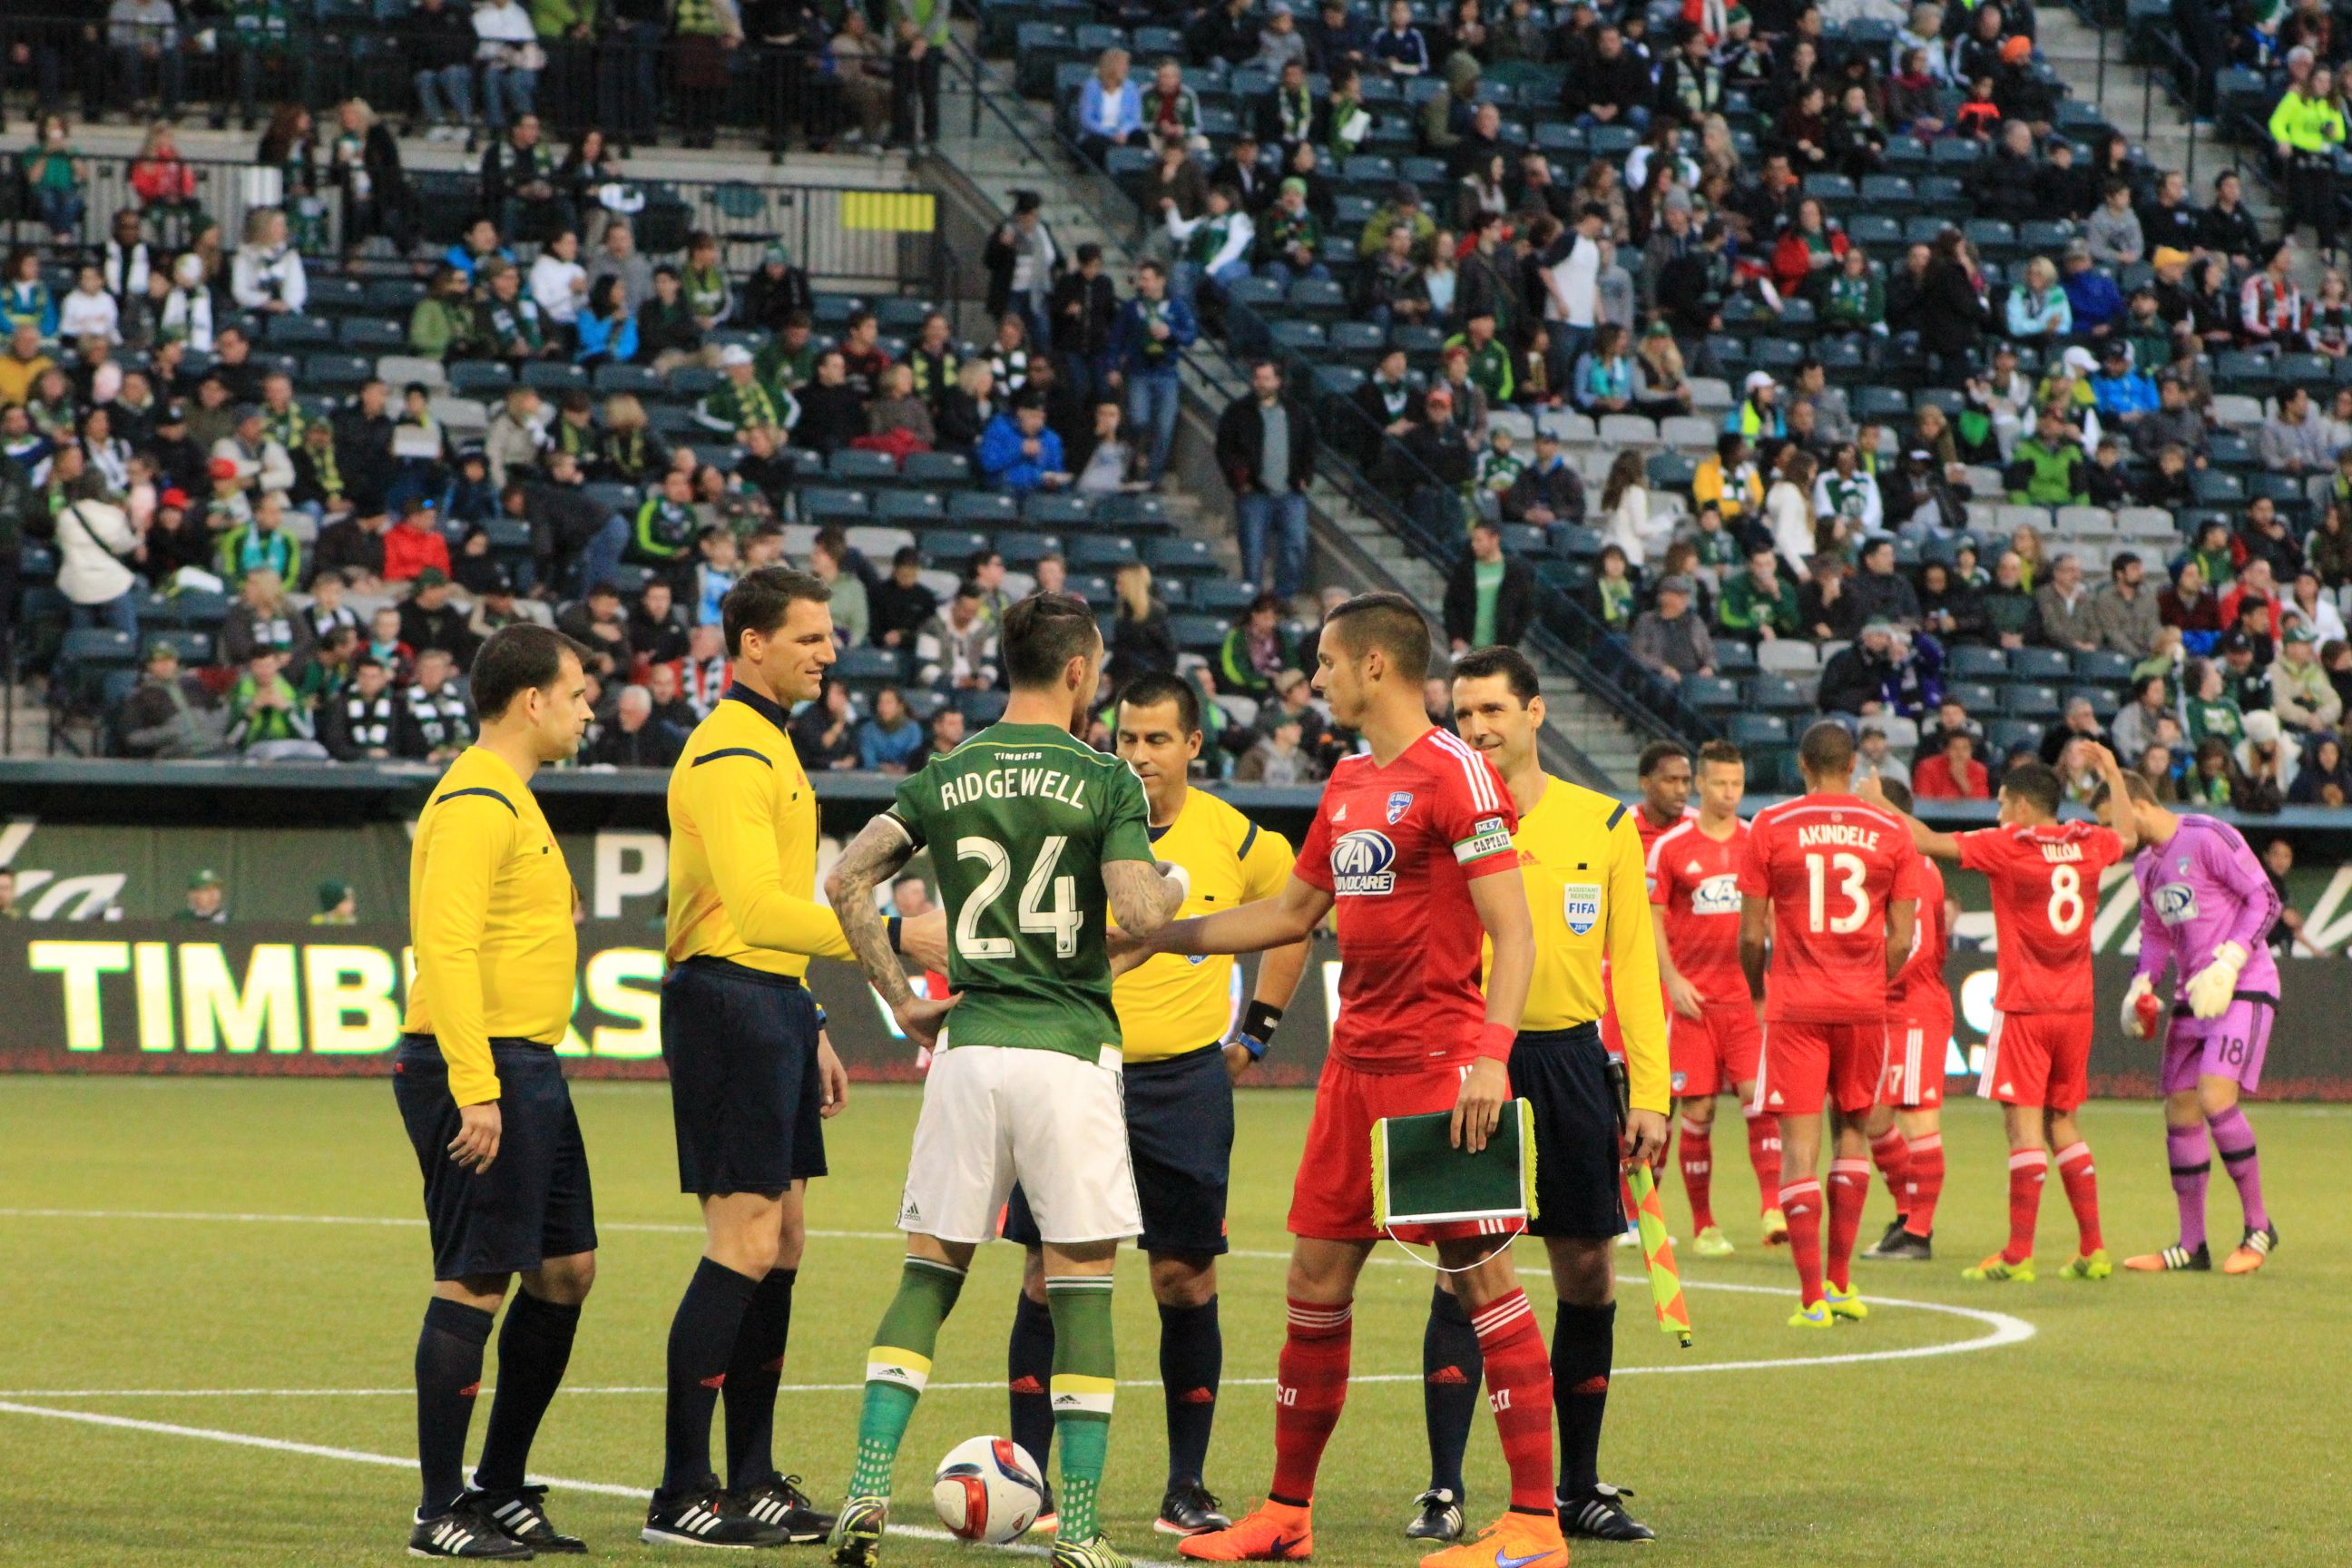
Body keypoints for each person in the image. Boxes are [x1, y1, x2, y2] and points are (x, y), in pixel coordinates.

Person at [1132, 593, 1571, 1568]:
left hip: (1440, 1069)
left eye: (1326, 663)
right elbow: (1290, 913)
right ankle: (1288, 1515)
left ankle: (1537, 1525)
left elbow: (1516, 932)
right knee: (1314, 1285)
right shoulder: (1347, 780)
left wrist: (1492, 1056)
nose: (1313, 678)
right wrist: (1159, 937)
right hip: (1353, 1070)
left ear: (1376, 666)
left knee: (1481, 1282)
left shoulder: (1458, 774)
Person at [820, 593, 1184, 1568]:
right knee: (1082, 1291)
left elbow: (846, 880)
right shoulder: (1103, 777)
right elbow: (1144, 919)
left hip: (969, 1048)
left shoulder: (948, 771)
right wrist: (1172, 882)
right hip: (1066, 1052)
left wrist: (900, 996)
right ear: (1078, 671)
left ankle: (863, 1490)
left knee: (928, 1275)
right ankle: (1084, 1527)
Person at [648, 568, 946, 1549]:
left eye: (828, 635)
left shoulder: (770, 743)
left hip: (768, 1003)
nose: (828, 651)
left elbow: (777, 908)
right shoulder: (732, 752)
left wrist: (810, 1016)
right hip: (726, 1003)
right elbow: (752, 910)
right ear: (751, 645)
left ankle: (752, 1478)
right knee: (739, 1242)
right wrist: (897, 941)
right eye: (810, 637)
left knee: (781, 1246)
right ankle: (682, 1492)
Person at [999, 671, 1309, 1537]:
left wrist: (1258, 1034)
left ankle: (1187, 1483)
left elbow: (1295, 920)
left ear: (1194, 747)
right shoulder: (1078, 818)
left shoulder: (1237, 836)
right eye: (1127, 738)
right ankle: (1031, 1482)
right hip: (1075, 1070)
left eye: (1157, 739)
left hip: (1184, 1084)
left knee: (1183, 1277)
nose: (1137, 755)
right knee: (1047, 1274)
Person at [1387, 646, 1669, 1548]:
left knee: (1588, 1271)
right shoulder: (1439, 820)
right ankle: (1443, 1490)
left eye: (1493, 712)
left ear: (1536, 714)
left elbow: (1632, 969)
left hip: (1571, 1063)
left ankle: (1576, 1487)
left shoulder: (1605, 823)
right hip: (1468, 1061)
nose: (1477, 730)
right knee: (1464, 1273)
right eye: (1463, 715)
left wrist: (1653, 1094)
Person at [390, 625, 596, 1561]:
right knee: (474, 1279)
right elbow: (448, 947)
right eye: (580, 691)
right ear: (532, 702)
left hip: (528, 1068)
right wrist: (478, 1090)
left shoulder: (510, 799)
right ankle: (441, 1510)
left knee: (564, 1271)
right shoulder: (476, 800)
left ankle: (501, 1486)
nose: (589, 705)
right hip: (482, 1072)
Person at [1867, 749, 2135, 1286]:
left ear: (2022, 806)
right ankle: (2094, 1247)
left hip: (2026, 1009)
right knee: (2065, 1124)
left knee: (2023, 1130)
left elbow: (1925, 841)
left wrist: (1878, 805)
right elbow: (2127, 835)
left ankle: (2018, 1253)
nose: (1997, 812)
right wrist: (2112, 775)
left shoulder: (2010, 846)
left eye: (2001, 802)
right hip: (2077, 1007)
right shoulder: (2088, 841)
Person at [1738, 721, 1923, 1328]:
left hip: (1797, 1006)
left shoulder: (1770, 825)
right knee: (1852, 1135)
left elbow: (1750, 932)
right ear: (1854, 766)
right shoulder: (1893, 831)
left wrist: (1759, 992)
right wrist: (1873, 983)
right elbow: (1902, 938)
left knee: (1799, 1150)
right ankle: (1843, 1284)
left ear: (1801, 764)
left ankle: (1812, 1297)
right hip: (1864, 1006)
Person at [2102, 772, 2284, 1275]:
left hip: (2242, 986)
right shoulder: (2146, 866)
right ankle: (2191, 1245)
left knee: (2213, 1098)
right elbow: (2157, 934)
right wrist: (2142, 983)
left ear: (2137, 807)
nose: (2109, 837)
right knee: (2179, 1110)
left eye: (2111, 821)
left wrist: (2229, 961)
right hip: (2191, 997)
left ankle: (2259, 1225)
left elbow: (2265, 899)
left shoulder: (2207, 835)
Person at [1648, 740, 1786, 1258]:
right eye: (1721, 784)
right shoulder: (1673, 846)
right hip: (1693, 1002)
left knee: (1758, 1099)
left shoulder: (1757, 842)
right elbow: (1652, 920)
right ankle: (1705, 1225)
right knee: (1698, 1110)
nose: (1730, 793)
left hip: (1746, 1000)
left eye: (1738, 784)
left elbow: (1774, 915)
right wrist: (1672, 979)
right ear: (1701, 785)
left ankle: (1771, 1207)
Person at [1852, 777, 1953, 1263]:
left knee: (1918, 1120)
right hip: (1882, 1008)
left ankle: (1919, 1233)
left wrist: (1868, 980)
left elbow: (1915, 946)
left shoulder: (1918, 865)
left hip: (1912, 1006)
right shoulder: (1885, 862)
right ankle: (1906, 1214)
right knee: (1874, 1119)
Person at [1216, 361, 1318, 600]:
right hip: (1253, 494)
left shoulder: (1296, 412)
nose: (1260, 383)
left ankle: (1283, 599)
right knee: (1252, 552)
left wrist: (1305, 476)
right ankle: (1253, 602)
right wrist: (1239, 481)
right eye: (1257, 378)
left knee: (1295, 547)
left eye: (1265, 378)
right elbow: (1224, 449)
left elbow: (1310, 447)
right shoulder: (1237, 411)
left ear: (1278, 381)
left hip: (1290, 492)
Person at [1442, 519, 1533, 652]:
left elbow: (1525, 609)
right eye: (1473, 540)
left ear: (1494, 539)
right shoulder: (1465, 569)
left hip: (1498, 652)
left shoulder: (1514, 572)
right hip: (1466, 649)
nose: (1474, 545)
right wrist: (1455, 637)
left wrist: (1511, 642)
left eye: (1479, 540)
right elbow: (1450, 604)